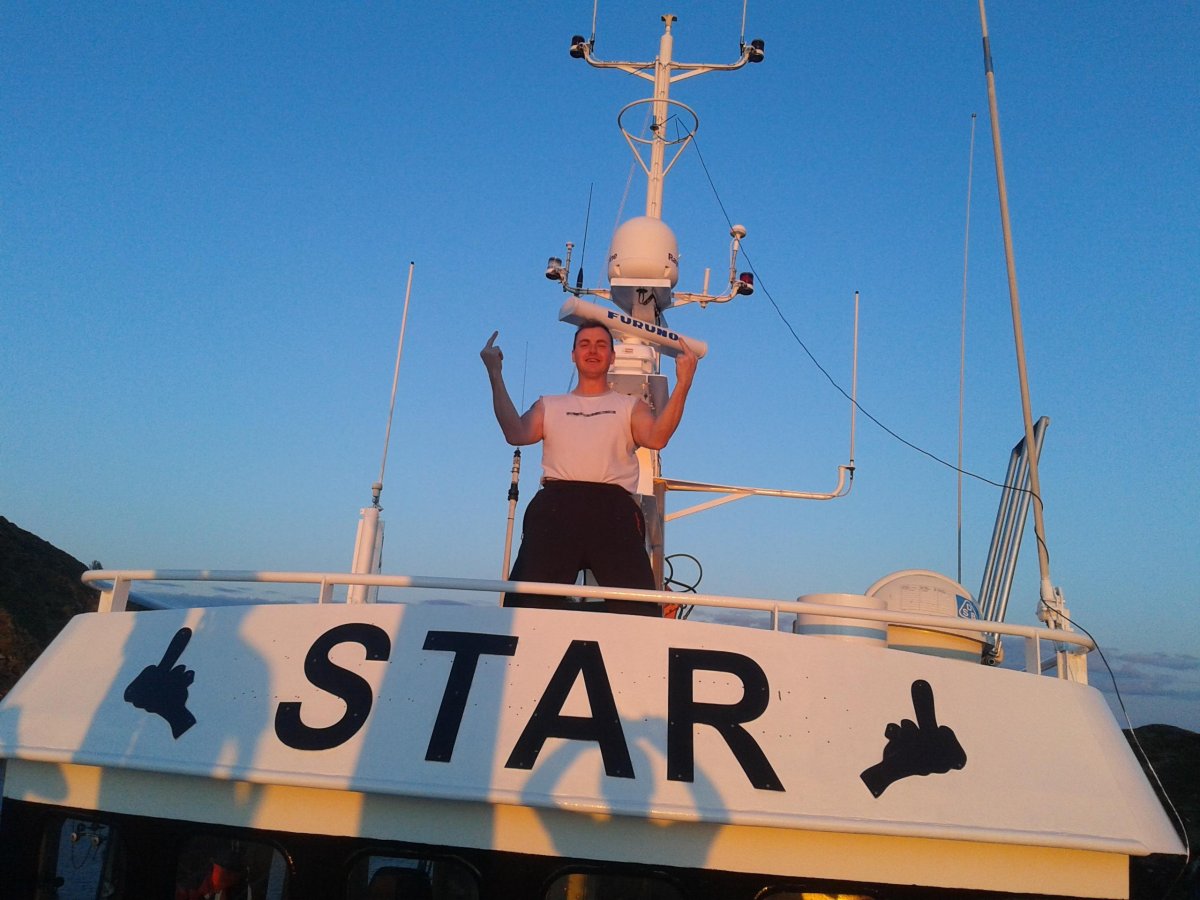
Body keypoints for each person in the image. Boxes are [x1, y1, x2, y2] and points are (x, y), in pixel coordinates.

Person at [481, 321, 698, 616]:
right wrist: (495, 373)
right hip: (555, 508)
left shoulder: (631, 406)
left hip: (614, 512)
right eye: (584, 344)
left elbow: (657, 437)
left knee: (637, 610)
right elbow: (516, 432)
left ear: (612, 356)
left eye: (601, 345)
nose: (592, 350)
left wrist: (684, 382)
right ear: (573, 355)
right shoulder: (549, 404)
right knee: (526, 608)